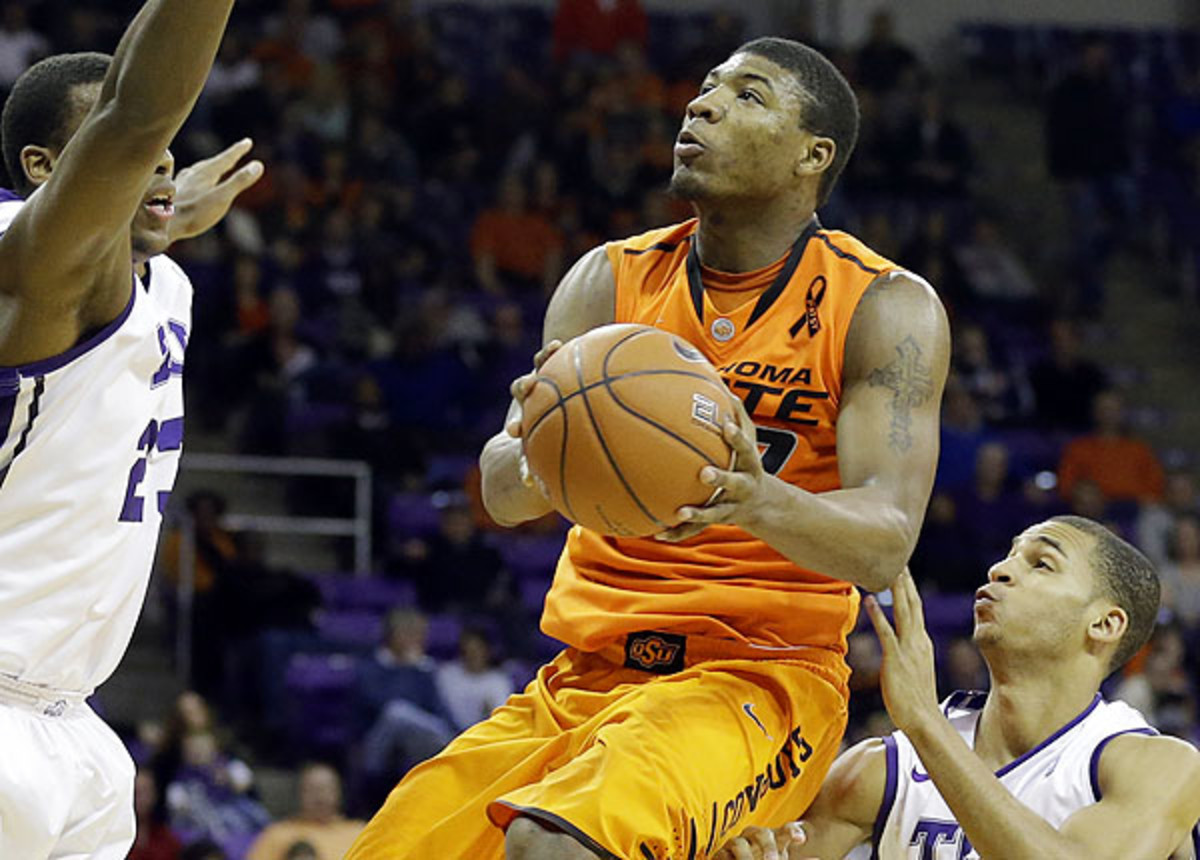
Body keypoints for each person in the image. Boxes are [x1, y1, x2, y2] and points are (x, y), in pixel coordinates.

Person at [349, 36, 950, 860]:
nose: (701, 106)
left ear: (815, 154)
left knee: (551, 845)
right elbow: (500, 487)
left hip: (759, 682)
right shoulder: (608, 279)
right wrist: (546, 452)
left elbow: (885, 543)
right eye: (705, 89)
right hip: (582, 676)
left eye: (748, 97)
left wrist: (756, 498)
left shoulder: (884, 306)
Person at [0, 1, 262, 856]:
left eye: (167, 165)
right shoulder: (25, 265)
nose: (158, 166)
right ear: (44, 168)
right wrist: (140, 161)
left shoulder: (157, 282)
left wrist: (161, 221)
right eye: (133, 164)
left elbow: (119, 210)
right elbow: (136, 112)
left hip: (74, 724)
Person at [716, 517, 1200, 860]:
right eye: (1010, 555)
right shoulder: (883, 769)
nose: (1000, 570)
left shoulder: (1155, 767)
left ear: (1104, 623)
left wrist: (925, 722)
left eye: (1042, 564)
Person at [245, 763, 365, 860]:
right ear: (299, 794)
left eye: (326, 789)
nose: (320, 797)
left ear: (339, 793)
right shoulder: (277, 834)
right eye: (312, 790)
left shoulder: (360, 832)